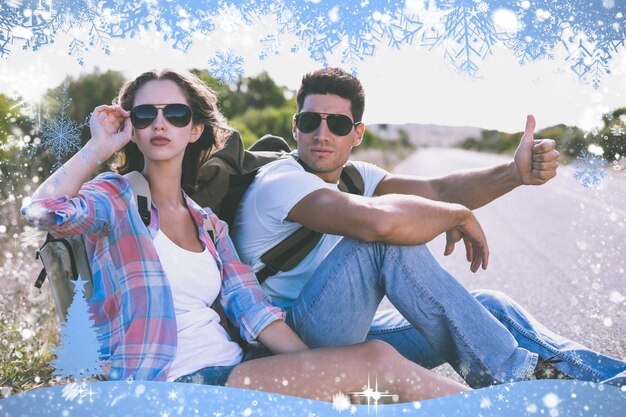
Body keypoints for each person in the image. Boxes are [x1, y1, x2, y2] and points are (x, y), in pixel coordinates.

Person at [20, 69, 470, 401]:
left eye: (175, 113)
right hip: (175, 387)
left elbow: (255, 313)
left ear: (194, 128)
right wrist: (98, 147)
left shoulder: (209, 225)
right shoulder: (113, 201)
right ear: (131, 129)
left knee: (369, 373)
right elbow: (41, 212)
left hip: (238, 371)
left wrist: (318, 368)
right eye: (145, 114)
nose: (160, 123)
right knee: (378, 365)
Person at [231, 67, 626, 388]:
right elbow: (380, 224)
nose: (321, 134)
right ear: (295, 126)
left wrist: (513, 172)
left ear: (357, 134)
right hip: (281, 346)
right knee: (381, 243)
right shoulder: (279, 181)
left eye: (336, 123)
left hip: (336, 333)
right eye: (310, 121)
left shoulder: (355, 177)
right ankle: (518, 379)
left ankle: (609, 383)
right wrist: (456, 215)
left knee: (489, 306)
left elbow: (438, 189)